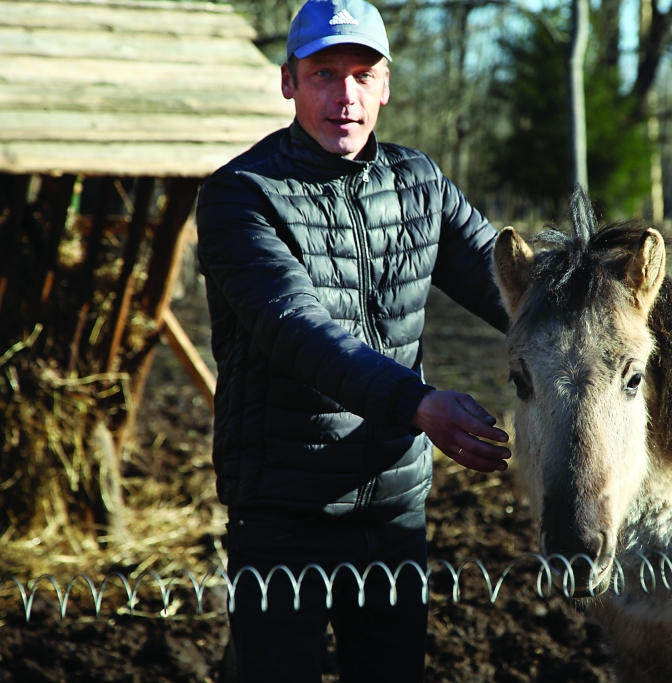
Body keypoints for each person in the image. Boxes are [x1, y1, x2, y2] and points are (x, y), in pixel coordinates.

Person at [195, 0, 511, 680]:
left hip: (393, 512)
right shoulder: (240, 196)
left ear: (387, 86)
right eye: (324, 74)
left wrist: (649, 335)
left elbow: (517, 288)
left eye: (364, 75)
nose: (346, 96)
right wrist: (419, 404)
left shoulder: (421, 184)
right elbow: (294, 328)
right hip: (283, 514)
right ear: (289, 82)